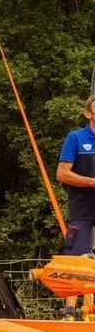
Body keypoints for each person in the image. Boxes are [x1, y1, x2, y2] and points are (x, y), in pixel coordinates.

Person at [55, 94, 95, 314]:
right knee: (76, 257)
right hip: (82, 209)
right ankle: (70, 311)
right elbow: (62, 174)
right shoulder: (76, 138)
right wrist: (91, 182)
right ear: (88, 114)